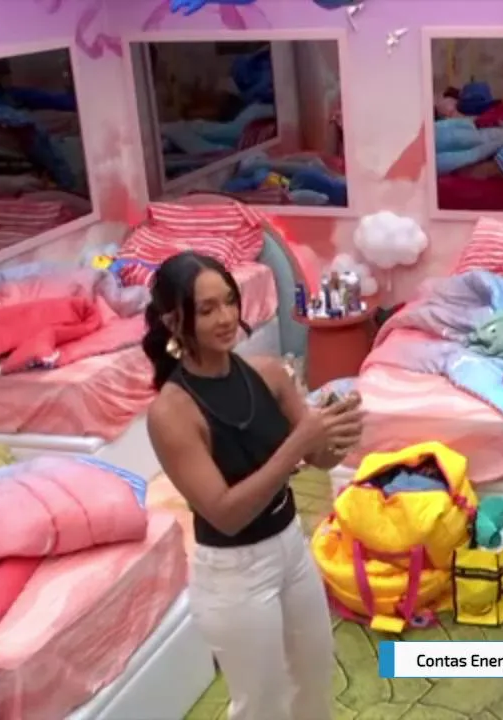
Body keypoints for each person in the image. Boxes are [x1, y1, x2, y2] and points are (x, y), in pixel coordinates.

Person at [143, 251, 363, 720]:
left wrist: (339, 434)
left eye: (229, 301)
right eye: (207, 309)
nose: (226, 318)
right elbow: (225, 513)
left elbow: (320, 458)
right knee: (262, 705)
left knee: (314, 680)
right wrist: (299, 442)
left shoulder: (268, 373)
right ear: (173, 321)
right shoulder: (171, 413)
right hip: (234, 571)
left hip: (292, 546)